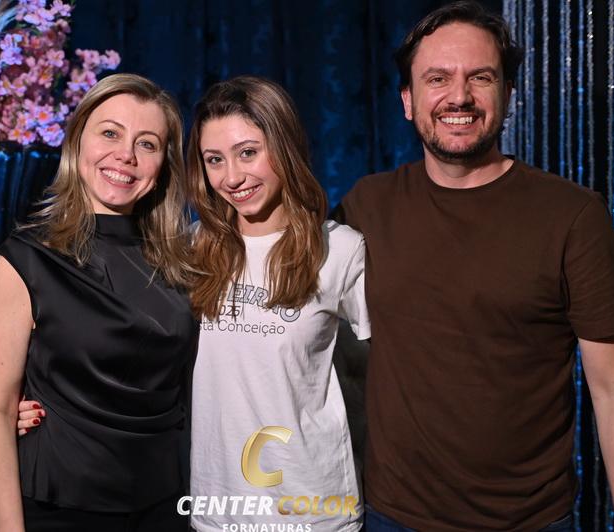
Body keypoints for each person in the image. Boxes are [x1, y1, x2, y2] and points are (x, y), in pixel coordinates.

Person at [336, 2, 614, 531]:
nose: (459, 96)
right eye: (437, 78)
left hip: (530, 520)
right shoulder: (366, 205)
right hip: (391, 516)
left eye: (479, 77)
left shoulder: (572, 216)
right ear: (408, 101)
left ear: (508, 94)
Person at [19, 76, 370, 531]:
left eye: (248, 152)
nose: (232, 177)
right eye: (214, 160)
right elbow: (114, 346)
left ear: (284, 147)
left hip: (315, 510)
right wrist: (29, 400)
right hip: (215, 510)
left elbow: (393, 372)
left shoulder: (340, 249)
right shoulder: (187, 250)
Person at [0, 73, 198, 532]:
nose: (126, 155)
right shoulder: (27, 260)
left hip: (165, 504)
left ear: (163, 166)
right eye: (110, 133)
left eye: (147, 143)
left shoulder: (183, 262)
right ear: (78, 143)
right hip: (61, 508)